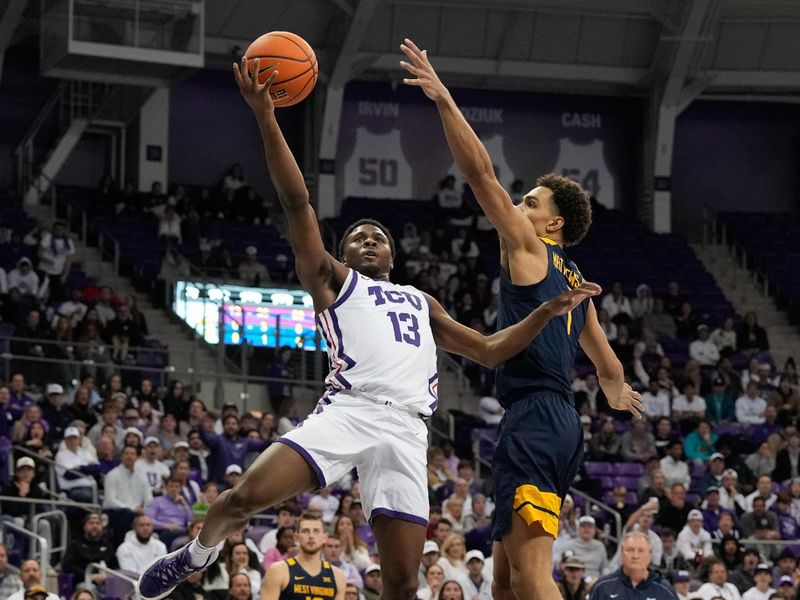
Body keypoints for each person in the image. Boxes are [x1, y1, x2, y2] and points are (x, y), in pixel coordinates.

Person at [137, 57, 600, 600]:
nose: (370, 239)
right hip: (349, 411)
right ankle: (196, 553)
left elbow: (493, 352)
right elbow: (295, 201)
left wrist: (544, 313)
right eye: (358, 236)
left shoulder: (421, 301)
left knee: (402, 586)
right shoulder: (332, 282)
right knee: (242, 498)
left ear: (394, 253)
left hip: (407, 432)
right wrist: (266, 117)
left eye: (379, 235)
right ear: (343, 253)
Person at [399, 38, 642, 600]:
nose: (519, 205)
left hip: (534, 416)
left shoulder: (529, 250)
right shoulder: (576, 283)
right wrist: (616, 390)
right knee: (507, 581)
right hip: (554, 422)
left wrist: (442, 100)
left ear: (552, 224)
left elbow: (480, 174)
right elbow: (607, 367)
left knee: (532, 578)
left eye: (531, 202)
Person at [259, 513, 345, 600]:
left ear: (324, 538)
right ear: (296, 538)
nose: (311, 536)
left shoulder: (338, 576)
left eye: (316, 531)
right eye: (305, 531)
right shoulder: (277, 570)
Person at [587, 532, 677, 600]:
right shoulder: (602, 586)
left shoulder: (664, 590)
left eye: (641, 550)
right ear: (622, 554)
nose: (635, 555)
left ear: (650, 555)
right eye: (630, 550)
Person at [60, 512, 117, 587]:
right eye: (91, 523)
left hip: (105, 583)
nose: (95, 526)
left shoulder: (107, 546)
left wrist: (106, 576)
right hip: (82, 582)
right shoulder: (75, 544)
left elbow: (116, 567)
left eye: (98, 523)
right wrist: (89, 575)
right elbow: (68, 565)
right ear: (84, 526)